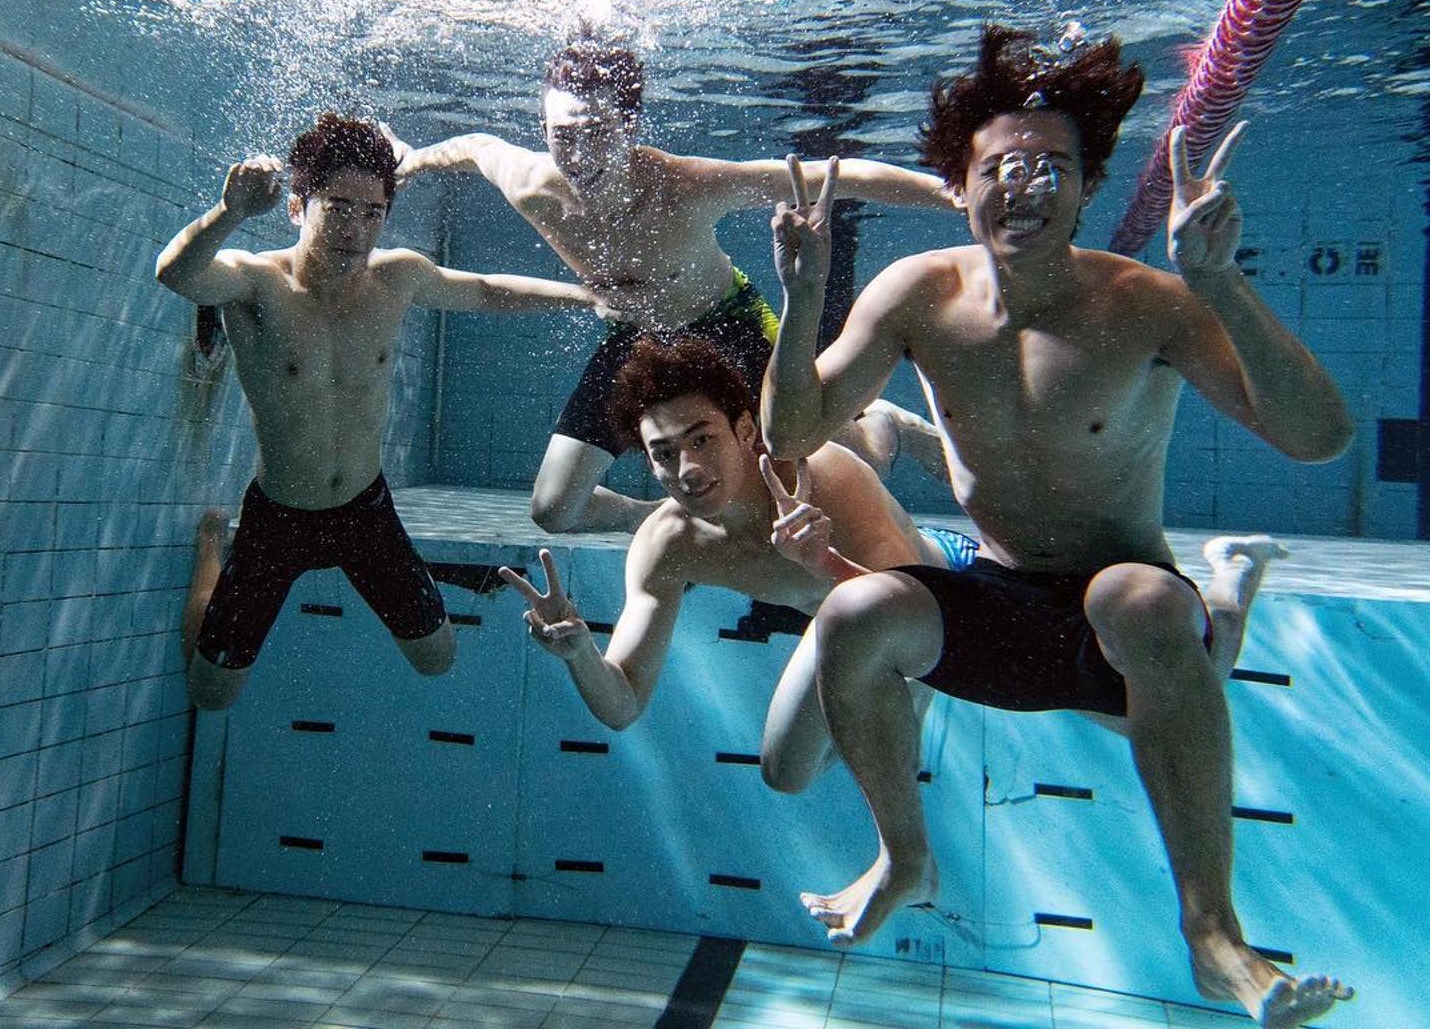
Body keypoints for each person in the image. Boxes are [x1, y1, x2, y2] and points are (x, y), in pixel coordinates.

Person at [761, 26, 1354, 1026]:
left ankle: (1214, 933)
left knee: (1139, 600)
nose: (1024, 185)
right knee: (854, 614)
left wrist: (1220, 282)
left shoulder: (1148, 303)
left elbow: (1321, 438)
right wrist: (803, 293)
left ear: (1086, 191)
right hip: (999, 604)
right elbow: (789, 433)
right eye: (1000, 166)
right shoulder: (920, 296)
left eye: (1052, 168)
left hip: (1121, 624)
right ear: (960, 186)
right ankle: (904, 859)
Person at [498, 336, 1287, 797]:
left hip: (937, 586)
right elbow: (622, 703)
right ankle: (886, 429)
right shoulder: (666, 545)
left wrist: (824, 566)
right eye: (663, 454)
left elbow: (911, 610)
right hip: (841, 613)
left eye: (701, 439)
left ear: (745, 429)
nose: (687, 469)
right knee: (785, 774)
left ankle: (1231, 578)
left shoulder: (823, 478)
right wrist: (579, 653)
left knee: (1157, 708)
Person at [391, 39, 956, 533]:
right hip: (637, 337)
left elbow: (840, 175)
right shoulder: (528, 182)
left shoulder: (683, 185)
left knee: (849, 462)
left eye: (599, 133)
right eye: (564, 135)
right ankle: (655, 518)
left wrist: (956, 193)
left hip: (727, 324)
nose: (580, 155)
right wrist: (414, 161)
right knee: (554, 509)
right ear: (544, 131)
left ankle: (884, 422)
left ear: (630, 128)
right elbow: (474, 148)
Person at [155, 113, 608, 710]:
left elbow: (484, 291)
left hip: (363, 510)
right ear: (297, 207)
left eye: (373, 213)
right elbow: (177, 273)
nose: (356, 228)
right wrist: (230, 211)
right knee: (210, 696)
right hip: (278, 515)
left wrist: (586, 295)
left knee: (438, 659)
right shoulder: (256, 281)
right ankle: (212, 550)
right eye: (339, 207)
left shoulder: (397, 278)